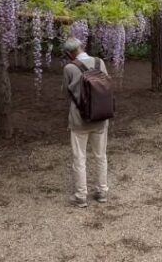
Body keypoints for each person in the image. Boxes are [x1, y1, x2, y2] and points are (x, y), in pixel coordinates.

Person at [62, 37, 110, 208]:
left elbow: (66, 92)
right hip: (100, 117)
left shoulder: (69, 67)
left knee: (79, 158)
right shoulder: (99, 62)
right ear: (82, 47)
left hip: (78, 119)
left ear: (69, 53)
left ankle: (81, 196)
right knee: (100, 156)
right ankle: (102, 191)